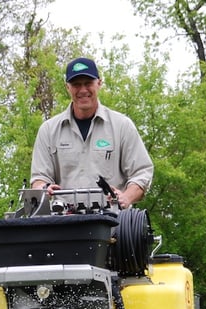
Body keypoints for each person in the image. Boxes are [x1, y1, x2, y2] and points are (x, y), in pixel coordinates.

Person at [29, 57, 154, 210]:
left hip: (113, 226)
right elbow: (39, 178)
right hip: (62, 226)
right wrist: (43, 188)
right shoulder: (48, 130)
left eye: (88, 83)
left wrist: (126, 197)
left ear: (99, 83)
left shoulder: (122, 126)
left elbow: (142, 172)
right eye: (76, 84)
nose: (83, 90)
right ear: (67, 87)